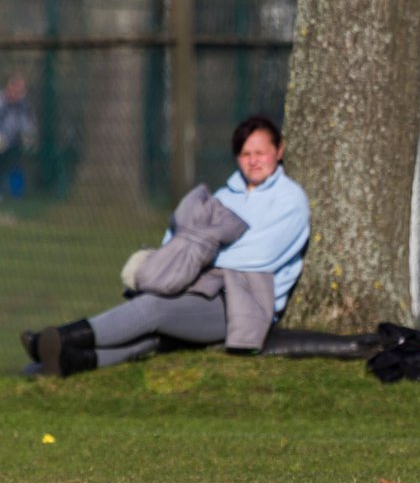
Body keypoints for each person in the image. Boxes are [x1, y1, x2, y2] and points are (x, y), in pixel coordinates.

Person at [22, 115, 310, 376]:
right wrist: (177, 258)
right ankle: (65, 362)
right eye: (245, 154)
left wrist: (196, 256)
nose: (253, 161)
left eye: (260, 152)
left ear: (279, 151)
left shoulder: (289, 200)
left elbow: (259, 257)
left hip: (241, 300)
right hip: (199, 287)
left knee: (153, 310)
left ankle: (56, 340)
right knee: (152, 339)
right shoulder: (223, 195)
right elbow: (179, 238)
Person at [0, 75, 37, 199]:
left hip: (13, 142)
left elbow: (27, 124)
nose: (18, 95)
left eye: (21, 92)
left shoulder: (23, 106)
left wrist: (28, 137)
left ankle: (17, 195)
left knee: (15, 166)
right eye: (16, 90)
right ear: (9, 88)